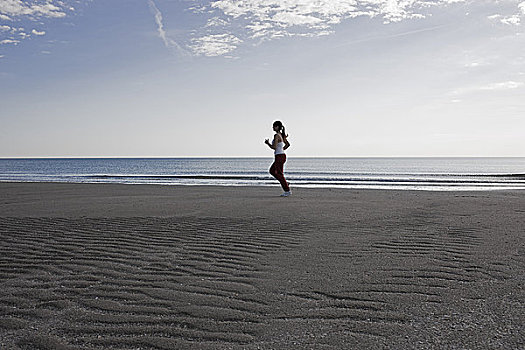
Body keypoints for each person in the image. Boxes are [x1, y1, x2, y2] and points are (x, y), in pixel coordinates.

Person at [265, 120, 291, 197]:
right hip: (281, 155)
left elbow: (274, 147)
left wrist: (268, 143)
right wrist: (282, 149)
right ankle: (285, 183)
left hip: (279, 156)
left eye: (274, 126)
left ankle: (287, 190)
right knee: (274, 171)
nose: (272, 127)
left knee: (276, 172)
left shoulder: (276, 136)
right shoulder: (282, 135)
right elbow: (287, 145)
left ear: (277, 127)